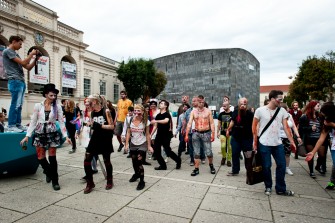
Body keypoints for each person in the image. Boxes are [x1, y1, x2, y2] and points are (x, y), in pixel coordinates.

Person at [20, 84, 71, 190]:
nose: (53, 97)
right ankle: (48, 172)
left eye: (55, 95)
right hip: (39, 132)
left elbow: (61, 122)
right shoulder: (38, 106)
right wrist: (27, 136)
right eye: (51, 95)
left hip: (52, 132)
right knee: (40, 157)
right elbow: (33, 121)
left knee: (52, 158)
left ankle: (55, 181)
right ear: (46, 94)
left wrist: (66, 136)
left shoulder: (57, 107)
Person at [252, 90, 296, 196]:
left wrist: (292, 142)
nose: (281, 101)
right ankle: (268, 186)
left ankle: (281, 188)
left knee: (282, 165)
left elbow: (286, 127)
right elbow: (254, 126)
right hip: (264, 143)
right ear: (272, 99)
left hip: (277, 143)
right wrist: (255, 141)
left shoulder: (282, 111)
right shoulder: (260, 110)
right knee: (266, 166)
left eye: (282, 100)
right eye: (279, 99)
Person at [3, 35, 38, 132]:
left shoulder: (15, 54)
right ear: (14, 41)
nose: (21, 46)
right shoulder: (8, 51)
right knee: (15, 104)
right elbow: (23, 63)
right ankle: (11, 125)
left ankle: (17, 124)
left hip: (20, 81)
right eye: (20, 44)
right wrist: (31, 54)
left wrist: (35, 59)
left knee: (19, 105)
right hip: (15, 80)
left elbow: (28, 67)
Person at [83, 94, 115, 194]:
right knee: (87, 159)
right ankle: (90, 182)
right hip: (95, 138)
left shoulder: (106, 111)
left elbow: (112, 126)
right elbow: (93, 126)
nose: (87, 104)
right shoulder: (92, 113)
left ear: (95, 102)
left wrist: (99, 125)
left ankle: (109, 180)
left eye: (89, 102)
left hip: (105, 139)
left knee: (106, 160)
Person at [306, 102, 335, 189]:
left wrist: (332, 125)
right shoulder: (327, 122)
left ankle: (332, 182)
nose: (324, 117)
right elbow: (321, 138)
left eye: (325, 115)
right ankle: (332, 182)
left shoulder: (330, 122)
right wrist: (313, 152)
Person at [124, 104, 154, 190]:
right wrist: (126, 145)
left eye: (139, 110)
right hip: (133, 143)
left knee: (139, 161)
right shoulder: (130, 120)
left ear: (143, 111)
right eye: (135, 110)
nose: (136, 112)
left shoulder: (145, 121)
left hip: (142, 143)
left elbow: (147, 134)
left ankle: (142, 181)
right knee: (134, 161)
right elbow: (128, 133)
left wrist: (149, 146)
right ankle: (136, 174)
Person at [185, 95, 216, 176]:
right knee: (196, 152)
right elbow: (189, 123)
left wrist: (213, 134)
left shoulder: (208, 111)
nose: (201, 103)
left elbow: (212, 123)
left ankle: (211, 165)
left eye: (203, 102)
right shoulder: (193, 111)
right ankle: (196, 168)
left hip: (206, 132)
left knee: (208, 152)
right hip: (196, 133)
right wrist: (186, 134)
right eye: (199, 102)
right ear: (197, 101)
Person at [299, 100, 326, 178]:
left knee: (322, 155)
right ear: (312, 106)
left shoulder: (320, 116)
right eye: (317, 105)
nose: (319, 107)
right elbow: (301, 129)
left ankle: (317, 166)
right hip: (309, 139)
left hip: (319, 139)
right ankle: (311, 171)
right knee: (311, 155)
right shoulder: (305, 116)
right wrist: (310, 128)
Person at [151, 100, 181, 170]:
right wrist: (151, 134)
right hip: (159, 135)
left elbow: (165, 121)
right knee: (156, 151)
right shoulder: (158, 115)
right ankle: (163, 165)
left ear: (165, 106)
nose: (160, 104)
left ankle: (178, 160)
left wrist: (156, 121)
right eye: (160, 103)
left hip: (166, 135)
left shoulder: (167, 114)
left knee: (168, 151)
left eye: (162, 103)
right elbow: (155, 126)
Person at [226, 98, 253, 176]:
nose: (243, 106)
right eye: (241, 104)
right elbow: (232, 121)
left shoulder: (250, 114)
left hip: (247, 138)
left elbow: (254, 125)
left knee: (248, 155)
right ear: (238, 104)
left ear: (247, 105)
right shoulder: (235, 112)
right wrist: (228, 129)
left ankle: (249, 170)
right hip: (236, 137)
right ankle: (235, 170)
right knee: (235, 154)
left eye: (244, 104)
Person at [279, 102, 303, 176]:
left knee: (287, 154)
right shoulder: (277, 116)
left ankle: (287, 167)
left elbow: (294, 126)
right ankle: (280, 168)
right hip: (279, 137)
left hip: (288, 138)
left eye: (286, 109)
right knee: (279, 154)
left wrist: (298, 136)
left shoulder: (289, 116)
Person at [217, 101, 233, 166]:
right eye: (223, 106)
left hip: (231, 133)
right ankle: (224, 157)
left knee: (230, 147)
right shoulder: (221, 114)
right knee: (223, 146)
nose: (223, 107)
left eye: (225, 106)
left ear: (228, 106)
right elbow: (219, 124)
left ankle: (229, 159)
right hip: (223, 133)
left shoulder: (232, 114)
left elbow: (233, 123)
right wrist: (217, 132)